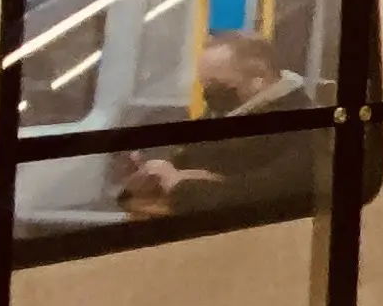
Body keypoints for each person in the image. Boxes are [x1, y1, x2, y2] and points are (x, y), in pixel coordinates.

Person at [118, 30, 328, 223]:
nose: (208, 95)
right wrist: (150, 180)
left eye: (216, 84)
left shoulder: (305, 125)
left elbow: (262, 194)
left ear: (258, 78)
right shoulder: (225, 112)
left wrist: (181, 185)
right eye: (205, 85)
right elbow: (185, 162)